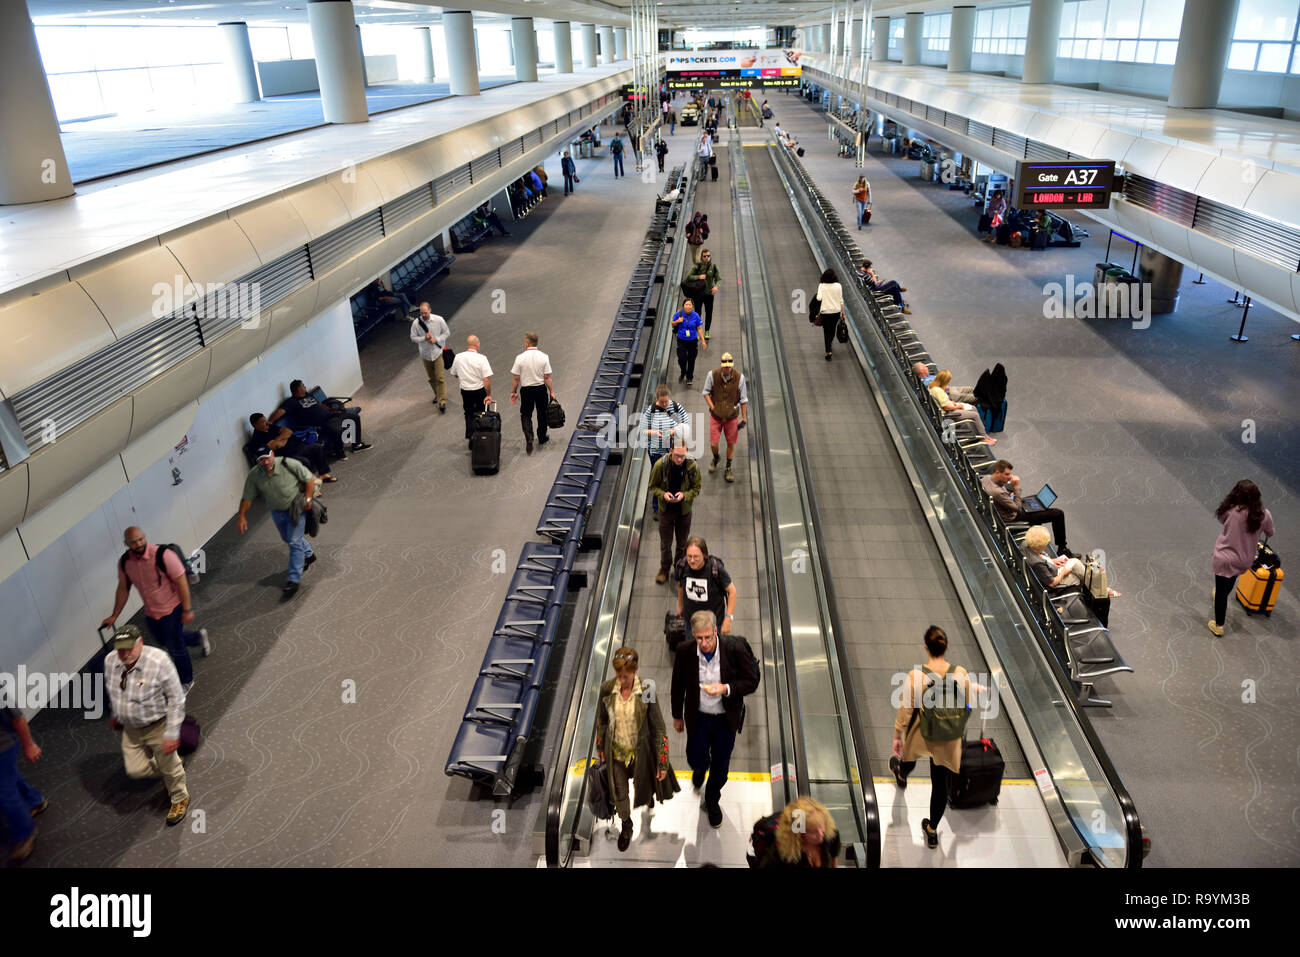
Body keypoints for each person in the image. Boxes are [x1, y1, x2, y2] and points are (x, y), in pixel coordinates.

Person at [670, 611, 760, 829]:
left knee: (721, 768)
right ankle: (700, 769)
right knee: (695, 756)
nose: (704, 643)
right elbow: (677, 684)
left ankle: (712, 800)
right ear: (693, 635)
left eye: (708, 637)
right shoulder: (685, 651)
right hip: (698, 718)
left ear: (715, 631)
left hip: (724, 720)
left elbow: (752, 681)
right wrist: (676, 716)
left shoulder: (734, 648)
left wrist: (726, 688)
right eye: (699, 638)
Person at [890, 626, 978, 848]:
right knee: (940, 784)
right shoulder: (960, 673)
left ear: (925, 647)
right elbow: (969, 705)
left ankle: (901, 774)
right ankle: (931, 831)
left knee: (909, 758)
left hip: (922, 734)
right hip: (948, 738)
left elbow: (906, 710)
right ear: (946, 646)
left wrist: (897, 735)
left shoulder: (916, 676)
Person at [100, 527, 211, 693]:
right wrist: (114, 615)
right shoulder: (126, 563)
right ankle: (197, 637)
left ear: (144, 537)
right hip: (151, 613)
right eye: (133, 542)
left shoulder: (163, 555)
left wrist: (187, 609)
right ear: (126, 544)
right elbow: (123, 588)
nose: (138, 544)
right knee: (164, 641)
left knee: (175, 648)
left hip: (172, 608)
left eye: (140, 539)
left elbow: (181, 581)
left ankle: (187, 680)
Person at [103, 624, 190, 826]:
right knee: (135, 771)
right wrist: (117, 714)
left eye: (129, 648)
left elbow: (177, 699)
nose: (124, 654)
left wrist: (171, 734)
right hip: (130, 727)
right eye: (120, 649)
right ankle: (173, 767)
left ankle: (179, 797)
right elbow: (114, 690)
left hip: (157, 725)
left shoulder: (158, 662)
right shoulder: (110, 661)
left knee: (168, 767)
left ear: (140, 642)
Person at [595, 646, 678, 851]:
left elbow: (659, 727)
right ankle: (626, 825)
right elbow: (602, 721)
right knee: (620, 794)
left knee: (645, 787)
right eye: (618, 675)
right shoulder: (607, 689)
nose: (621, 680)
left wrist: (662, 760)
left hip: (642, 753)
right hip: (616, 754)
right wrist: (600, 745)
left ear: (636, 670)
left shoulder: (647, 689)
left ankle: (647, 795)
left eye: (626, 675)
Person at [237, 447, 318, 596]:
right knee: (288, 538)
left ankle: (293, 580)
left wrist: (307, 499)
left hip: (296, 508)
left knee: (293, 541)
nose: (265, 462)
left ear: (273, 454)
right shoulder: (255, 474)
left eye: (267, 457)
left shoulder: (289, 464)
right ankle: (309, 554)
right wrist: (241, 516)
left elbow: (310, 480)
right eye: (261, 459)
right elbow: (247, 497)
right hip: (276, 512)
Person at [1209, 479, 1276, 636]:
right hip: (1245, 559)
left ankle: (1219, 625)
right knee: (1231, 578)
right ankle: (1222, 594)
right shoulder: (1264, 515)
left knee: (1220, 591)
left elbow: (1221, 519)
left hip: (1225, 556)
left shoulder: (1231, 511)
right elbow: (1270, 533)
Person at [1022, 526, 1120, 626]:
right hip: (1054, 583)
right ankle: (1099, 589)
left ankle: (1099, 586)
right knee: (1077, 576)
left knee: (1075, 563)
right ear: (1038, 546)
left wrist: (1054, 561)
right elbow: (1052, 583)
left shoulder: (1026, 545)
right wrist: (1064, 572)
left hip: (1050, 571)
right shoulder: (1037, 563)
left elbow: (1042, 559)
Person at [982, 460, 1070, 556]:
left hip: (1004, 506)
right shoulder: (998, 492)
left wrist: (1009, 494)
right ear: (997, 472)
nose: (1010, 477)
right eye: (1007, 474)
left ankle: (1036, 530)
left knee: (1034, 502)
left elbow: (1003, 493)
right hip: (1013, 515)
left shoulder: (986, 478)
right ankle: (1062, 549)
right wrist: (1016, 487)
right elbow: (1017, 508)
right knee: (1058, 514)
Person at [270, 381, 370, 459]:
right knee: (336, 428)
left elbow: (320, 404)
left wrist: (331, 410)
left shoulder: (308, 395)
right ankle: (339, 452)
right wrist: (270, 421)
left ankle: (356, 445)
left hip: (331, 416)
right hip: (321, 423)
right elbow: (280, 411)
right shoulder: (291, 402)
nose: (305, 387)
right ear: (298, 389)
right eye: (303, 386)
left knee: (354, 418)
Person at [649, 441, 702, 584]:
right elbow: (652, 486)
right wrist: (663, 495)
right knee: (665, 544)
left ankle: (679, 568)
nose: (680, 459)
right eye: (677, 456)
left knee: (682, 543)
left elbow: (696, 488)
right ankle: (664, 569)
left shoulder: (692, 466)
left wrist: (684, 495)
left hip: (683, 512)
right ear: (671, 450)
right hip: (665, 511)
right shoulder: (661, 465)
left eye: (683, 456)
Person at [0, 706, 45, 862]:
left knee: (5, 794)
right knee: (10, 780)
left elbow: (17, 717)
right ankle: (33, 801)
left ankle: (25, 834)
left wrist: (29, 745)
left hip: (3, 748)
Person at [640, 385, 689, 517]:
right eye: (662, 402)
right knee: (659, 477)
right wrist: (655, 432)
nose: (664, 404)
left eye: (666, 401)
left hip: (673, 450)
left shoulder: (676, 407)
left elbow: (686, 425)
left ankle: (675, 501)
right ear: (657, 399)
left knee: (675, 475)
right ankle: (657, 507)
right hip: (656, 451)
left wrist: (674, 431)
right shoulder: (651, 411)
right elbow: (642, 430)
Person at [244, 413, 334, 481]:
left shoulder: (270, 427)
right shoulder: (258, 437)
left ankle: (323, 475)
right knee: (304, 461)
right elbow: (278, 445)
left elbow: (288, 431)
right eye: (263, 422)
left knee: (317, 447)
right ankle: (309, 484)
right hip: (286, 455)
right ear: (255, 425)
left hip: (297, 447)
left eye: (265, 420)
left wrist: (279, 438)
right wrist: (284, 437)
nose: (267, 423)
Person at [756, 797, 841, 868]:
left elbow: (833, 858)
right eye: (812, 832)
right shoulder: (779, 853)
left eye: (821, 827)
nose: (820, 834)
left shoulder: (830, 835)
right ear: (800, 834)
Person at [702, 351, 747, 483]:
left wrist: (744, 417)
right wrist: (712, 406)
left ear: (732, 365)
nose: (727, 368)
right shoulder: (712, 375)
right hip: (716, 416)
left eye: (729, 366)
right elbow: (705, 392)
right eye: (725, 366)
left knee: (730, 443)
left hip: (731, 417)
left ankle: (728, 467)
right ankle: (716, 457)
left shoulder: (740, 378)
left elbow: (744, 399)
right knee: (713, 444)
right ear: (721, 365)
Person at [676, 537, 737, 633]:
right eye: (689, 556)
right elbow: (680, 586)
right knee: (692, 646)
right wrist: (680, 606)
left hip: (713, 623)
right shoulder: (682, 567)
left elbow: (732, 591)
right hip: (691, 622)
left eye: (696, 557)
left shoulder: (715, 569)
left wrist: (728, 619)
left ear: (704, 555)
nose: (692, 560)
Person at [509, 332, 554, 456]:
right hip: (540, 389)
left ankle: (529, 438)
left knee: (526, 415)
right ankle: (542, 437)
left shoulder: (520, 357)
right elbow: (547, 377)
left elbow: (516, 378)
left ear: (527, 343)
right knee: (542, 413)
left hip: (526, 390)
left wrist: (513, 392)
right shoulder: (544, 357)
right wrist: (552, 392)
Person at [448, 335, 494, 445]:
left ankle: (471, 435)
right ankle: (482, 435)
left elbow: (454, 374)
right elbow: (486, 379)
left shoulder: (458, 357)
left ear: (468, 345)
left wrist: (464, 377)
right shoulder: (482, 358)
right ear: (477, 345)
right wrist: (488, 395)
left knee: (468, 413)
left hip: (465, 391)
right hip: (479, 391)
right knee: (482, 412)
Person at [929, 370, 995, 445]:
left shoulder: (932, 386)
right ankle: (983, 438)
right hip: (948, 414)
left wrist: (951, 402)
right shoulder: (939, 391)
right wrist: (959, 406)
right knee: (975, 415)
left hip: (948, 408)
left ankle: (979, 433)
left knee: (973, 408)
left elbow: (943, 403)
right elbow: (947, 408)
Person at [409, 302, 450, 413]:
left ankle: (442, 401)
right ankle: (437, 394)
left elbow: (447, 333)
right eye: (422, 313)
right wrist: (423, 338)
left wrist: (436, 339)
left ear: (430, 310)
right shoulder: (416, 323)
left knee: (439, 377)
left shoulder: (439, 320)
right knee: (431, 378)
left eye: (425, 313)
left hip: (437, 352)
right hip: (425, 355)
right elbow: (413, 338)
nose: (424, 315)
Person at [684, 247, 720, 338]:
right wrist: (699, 277)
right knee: (698, 312)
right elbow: (688, 277)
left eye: (708, 256)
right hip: (698, 293)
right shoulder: (697, 266)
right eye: (705, 256)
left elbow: (718, 279)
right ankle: (697, 331)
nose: (707, 258)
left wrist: (716, 286)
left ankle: (707, 331)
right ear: (701, 257)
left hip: (709, 293)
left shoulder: (713, 266)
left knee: (709, 312)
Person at [671, 298, 706, 384]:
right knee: (682, 359)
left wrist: (703, 341)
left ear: (692, 306)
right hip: (681, 341)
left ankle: (689, 377)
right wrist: (677, 321)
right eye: (686, 304)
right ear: (683, 306)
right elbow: (672, 323)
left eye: (690, 305)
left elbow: (699, 328)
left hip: (692, 341)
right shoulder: (679, 314)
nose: (688, 306)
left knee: (691, 360)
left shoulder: (696, 315)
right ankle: (683, 371)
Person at [814, 268, 844, 362]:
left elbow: (819, 298)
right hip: (836, 312)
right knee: (832, 330)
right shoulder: (838, 286)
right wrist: (843, 313)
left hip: (825, 312)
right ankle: (830, 343)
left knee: (826, 331)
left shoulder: (822, 286)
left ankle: (828, 351)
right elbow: (840, 300)